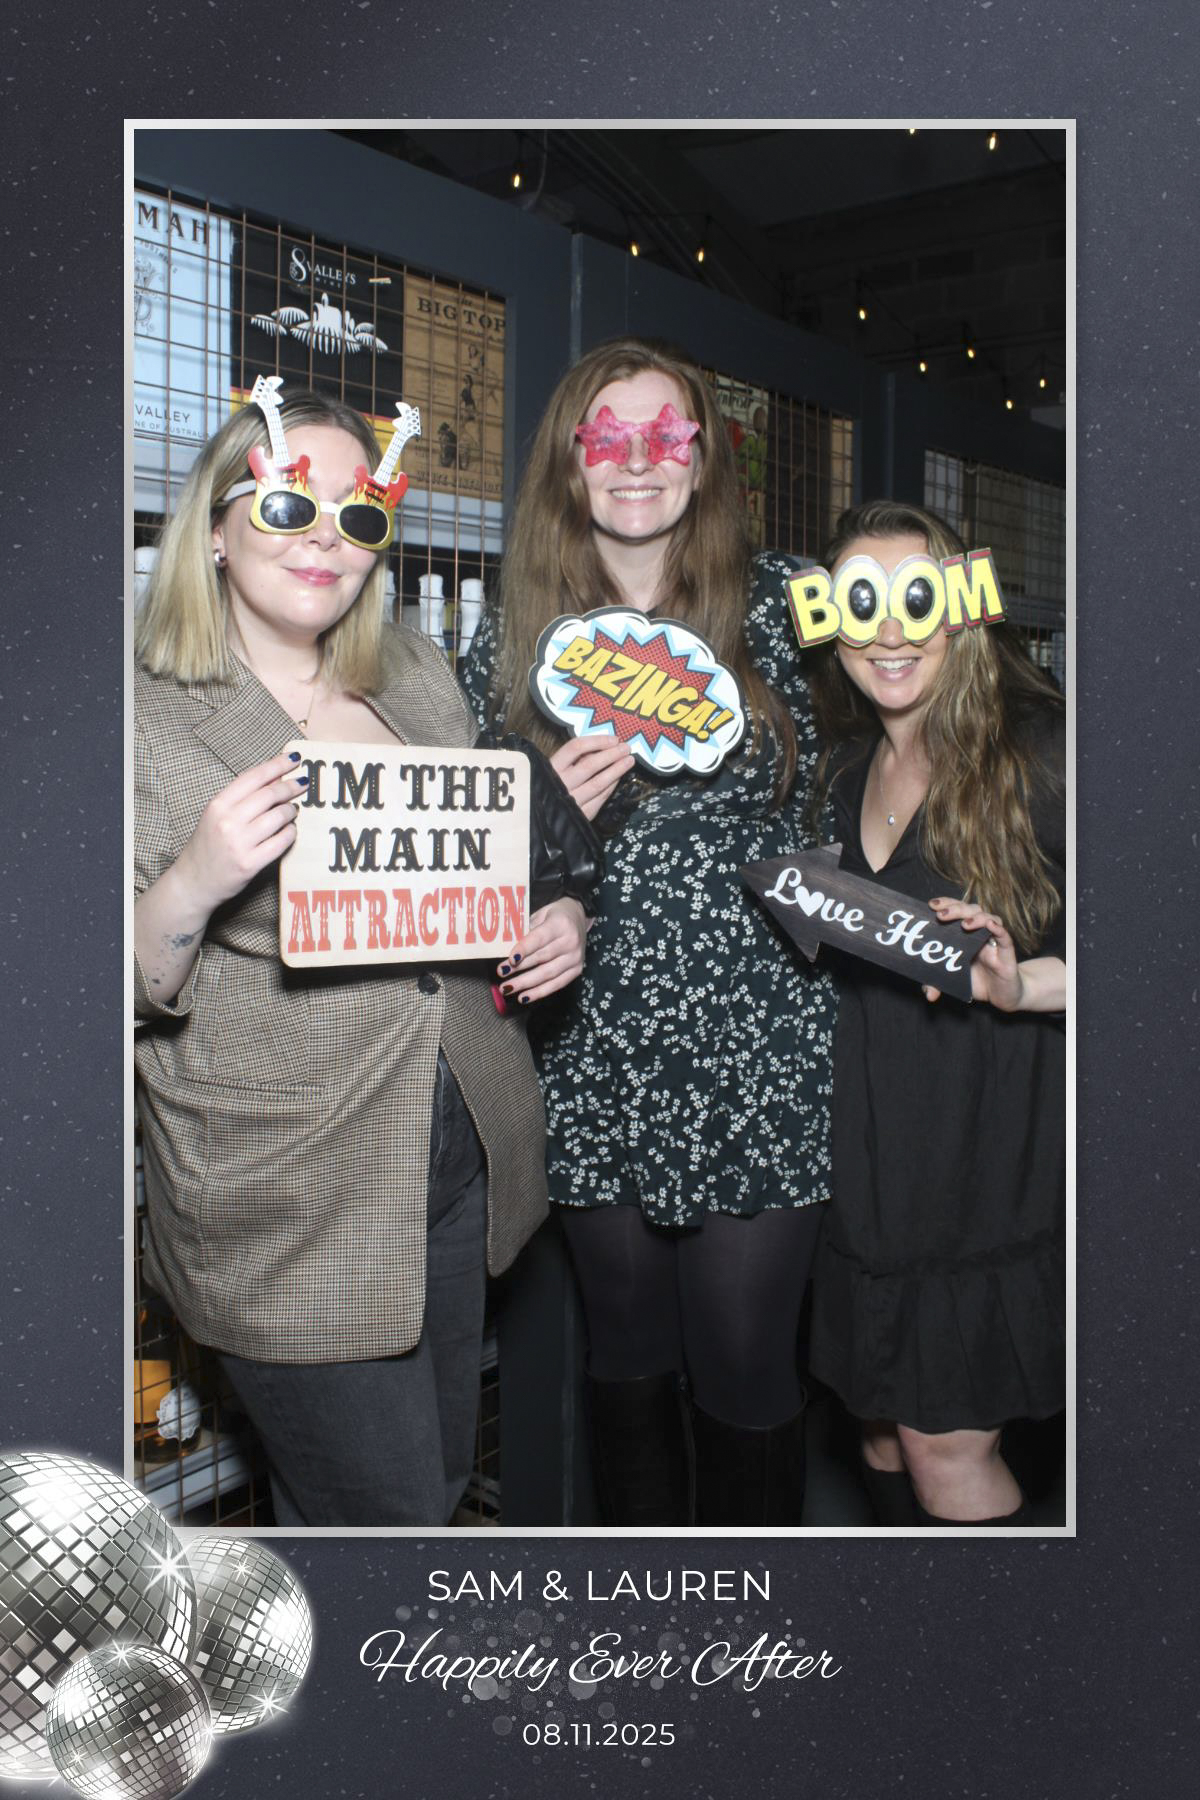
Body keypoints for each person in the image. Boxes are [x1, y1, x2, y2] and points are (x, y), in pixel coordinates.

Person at [134, 383, 592, 1527]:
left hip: (453, 1154)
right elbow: (104, 986)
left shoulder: (418, 677)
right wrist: (198, 874)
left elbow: (471, 875)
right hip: (287, 1185)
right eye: (291, 506)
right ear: (220, 524)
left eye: (360, 516)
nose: (326, 540)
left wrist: (547, 919)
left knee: (427, 1485)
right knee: (382, 1514)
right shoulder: (138, 712)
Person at [461, 338, 836, 1525]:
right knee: (622, 1359)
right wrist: (541, 827)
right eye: (607, 438)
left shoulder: (784, 606)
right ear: (572, 462)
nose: (636, 462)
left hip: (762, 1045)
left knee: (744, 1365)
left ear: (704, 458)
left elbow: (892, 753)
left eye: (664, 436)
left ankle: (766, 1652)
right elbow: (471, 852)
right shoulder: (515, 633)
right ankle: (649, 1625)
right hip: (591, 1048)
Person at [803, 500, 1066, 1527]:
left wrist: (1021, 981)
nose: (892, 629)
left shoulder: (1039, 753)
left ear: (964, 609)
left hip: (987, 1168)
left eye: (921, 596)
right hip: (870, 1171)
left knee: (942, 1445)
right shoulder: (840, 769)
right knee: (879, 1427)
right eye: (860, 601)